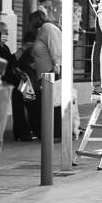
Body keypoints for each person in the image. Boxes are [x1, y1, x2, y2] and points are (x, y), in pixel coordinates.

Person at [0, 21, 34, 142]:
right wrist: (23, 49)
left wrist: (19, 71)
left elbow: (12, 64)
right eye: (4, 32)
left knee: (21, 100)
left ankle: (22, 131)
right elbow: (10, 60)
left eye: (7, 32)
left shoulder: (4, 47)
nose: (7, 34)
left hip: (10, 82)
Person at [29, 10, 62, 139]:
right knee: (46, 104)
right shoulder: (42, 30)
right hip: (45, 73)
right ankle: (48, 133)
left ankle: (55, 134)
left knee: (53, 103)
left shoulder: (47, 28)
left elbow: (55, 46)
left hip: (51, 71)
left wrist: (56, 65)